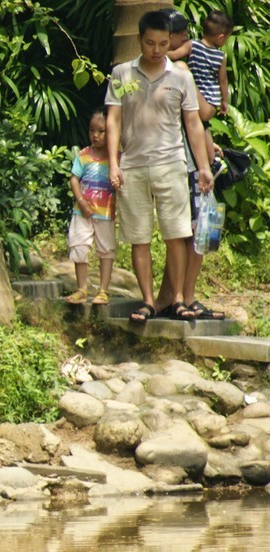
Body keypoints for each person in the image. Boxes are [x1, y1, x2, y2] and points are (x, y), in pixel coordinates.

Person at [105, 10, 214, 323]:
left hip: (171, 164)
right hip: (133, 166)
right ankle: (149, 302)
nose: (156, 49)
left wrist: (203, 167)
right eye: (150, 43)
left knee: (176, 234)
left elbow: (193, 123)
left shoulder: (181, 76)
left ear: (171, 42)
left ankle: (178, 299)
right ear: (139, 39)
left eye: (163, 43)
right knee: (139, 237)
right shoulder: (122, 73)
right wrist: (114, 162)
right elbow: (112, 120)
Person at [156, 7, 226, 320]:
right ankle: (185, 297)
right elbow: (203, 113)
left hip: (180, 159)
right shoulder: (179, 68)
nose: (186, 39)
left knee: (189, 232)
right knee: (197, 231)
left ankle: (173, 297)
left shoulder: (153, 69)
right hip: (185, 162)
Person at [167, 9, 233, 169]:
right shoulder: (220, 56)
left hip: (199, 99)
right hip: (212, 100)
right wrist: (225, 101)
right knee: (203, 125)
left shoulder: (192, 45)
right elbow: (223, 80)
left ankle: (210, 160)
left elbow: (173, 56)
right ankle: (211, 160)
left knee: (200, 122)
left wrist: (155, 51)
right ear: (221, 37)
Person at [65, 108, 116, 306]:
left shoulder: (115, 159)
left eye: (101, 131)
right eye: (92, 131)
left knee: (106, 250)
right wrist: (81, 201)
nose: (96, 135)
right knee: (79, 246)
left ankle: (103, 290)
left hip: (105, 213)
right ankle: (82, 288)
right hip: (82, 212)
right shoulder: (83, 155)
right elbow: (74, 179)